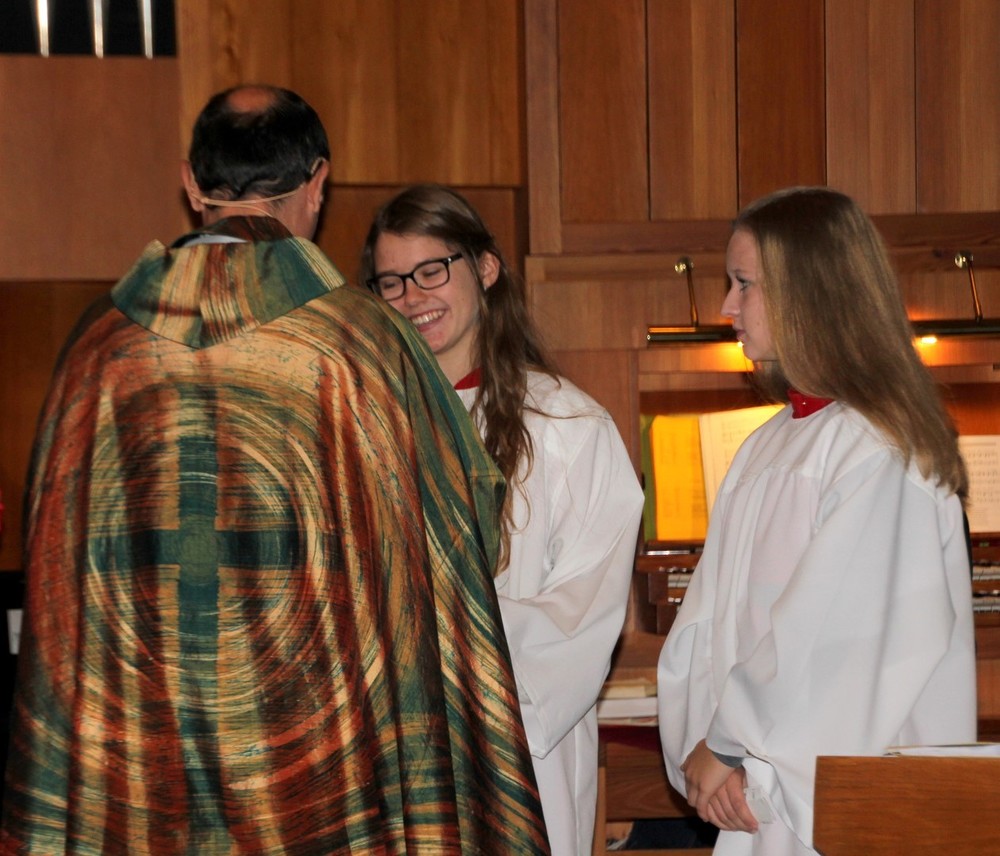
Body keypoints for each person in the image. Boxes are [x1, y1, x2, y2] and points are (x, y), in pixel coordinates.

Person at [1, 86, 549, 854]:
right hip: (319, 770)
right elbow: (459, 536)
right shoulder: (365, 343)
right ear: (318, 183)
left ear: (192, 183)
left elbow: (57, 573)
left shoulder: (98, 351)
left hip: (142, 763)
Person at [657, 186, 977, 855]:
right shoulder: (767, 444)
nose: (727, 307)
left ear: (810, 293)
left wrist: (728, 743)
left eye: (744, 284)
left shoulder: (878, 449)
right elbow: (708, 622)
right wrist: (705, 746)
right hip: (754, 786)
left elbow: (836, 640)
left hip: (836, 797)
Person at [360, 184, 644, 856]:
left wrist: (441, 648)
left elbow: (583, 610)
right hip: (388, 756)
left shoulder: (568, 426)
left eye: (433, 271)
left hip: (514, 748)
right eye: (392, 282)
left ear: (485, 269)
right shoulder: (363, 425)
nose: (413, 297)